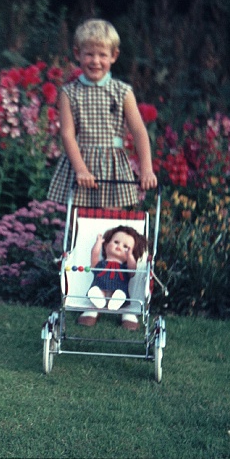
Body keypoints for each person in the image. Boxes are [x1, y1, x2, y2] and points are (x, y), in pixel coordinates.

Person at [46, 18, 157, 330]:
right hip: (82, 165)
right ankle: (87, 300)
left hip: (113, 165)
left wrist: (146, 168)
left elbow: (138, 131)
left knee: (121, 231)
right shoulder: (69, 92)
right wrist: (80, 168)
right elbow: (68, 134)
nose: (95, 60)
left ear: (114, 56)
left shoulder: (122, 91)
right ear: (77, 55)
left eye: (102, 54)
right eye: (89, 54)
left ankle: (129, 304)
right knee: (85, 231)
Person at [83, 225, 148, 329]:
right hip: (101, 289)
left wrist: (130, 256)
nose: (119, 246)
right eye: (116, 242)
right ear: (106, 245)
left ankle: (117, 300)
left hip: (118, 291)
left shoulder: (125, 267)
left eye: (125, 247)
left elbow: (133, 271)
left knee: (119, 292)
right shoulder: (100, 264)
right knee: (97, 290)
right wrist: (98, 243)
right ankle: (98, 298)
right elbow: (94, 255)